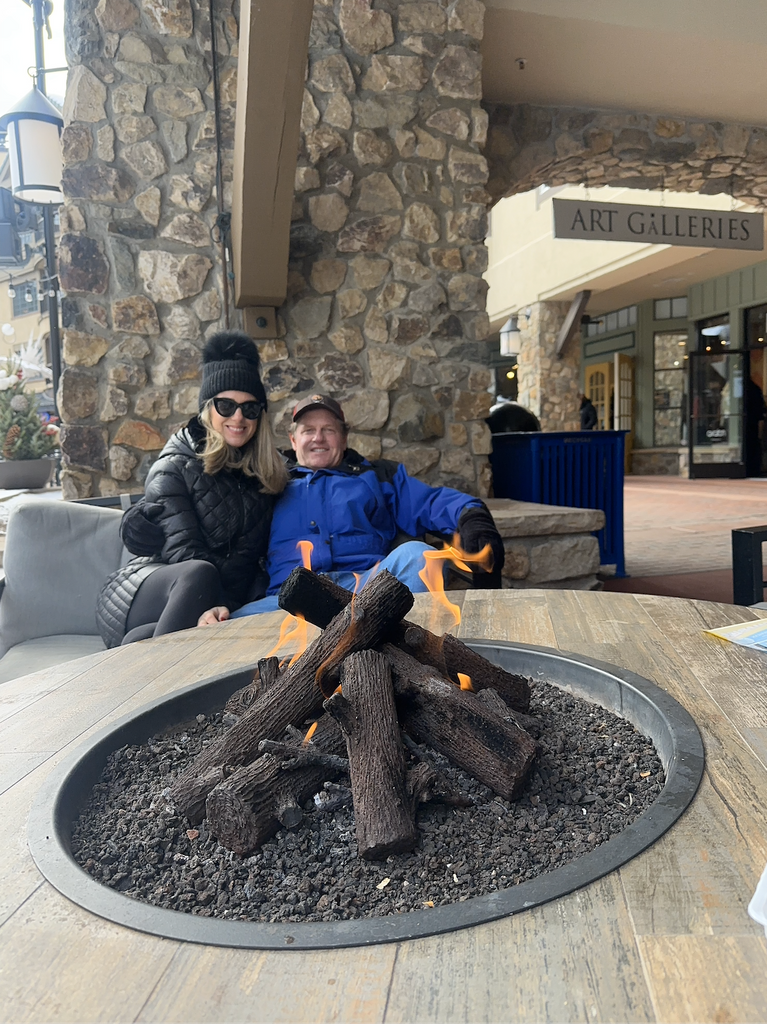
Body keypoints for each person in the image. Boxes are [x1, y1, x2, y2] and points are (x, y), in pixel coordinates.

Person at [200, 394, 505, 622]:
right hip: (289, 600)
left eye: (329, 430)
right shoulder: (267, 482)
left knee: (420, 556)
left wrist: (471, 515)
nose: (318, 438)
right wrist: (221, 601)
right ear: (293, 440)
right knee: (216, 625)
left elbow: (432, 501)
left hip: (369, 590)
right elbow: (234, 547)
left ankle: (408, 649)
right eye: (308, 430)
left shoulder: (375, 476)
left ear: (344, 439)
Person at [95, 331, 288, 646]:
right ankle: (159, 686)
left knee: (152, 635)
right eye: (226, 405)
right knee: (199, 572)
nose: (238, 416)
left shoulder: (266, 474)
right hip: (144, 592)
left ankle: (143, 646)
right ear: (208, 408)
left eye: (250, 408)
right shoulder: (175, 465)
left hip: (201, 603)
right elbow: (182, 552)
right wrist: (217, 604)